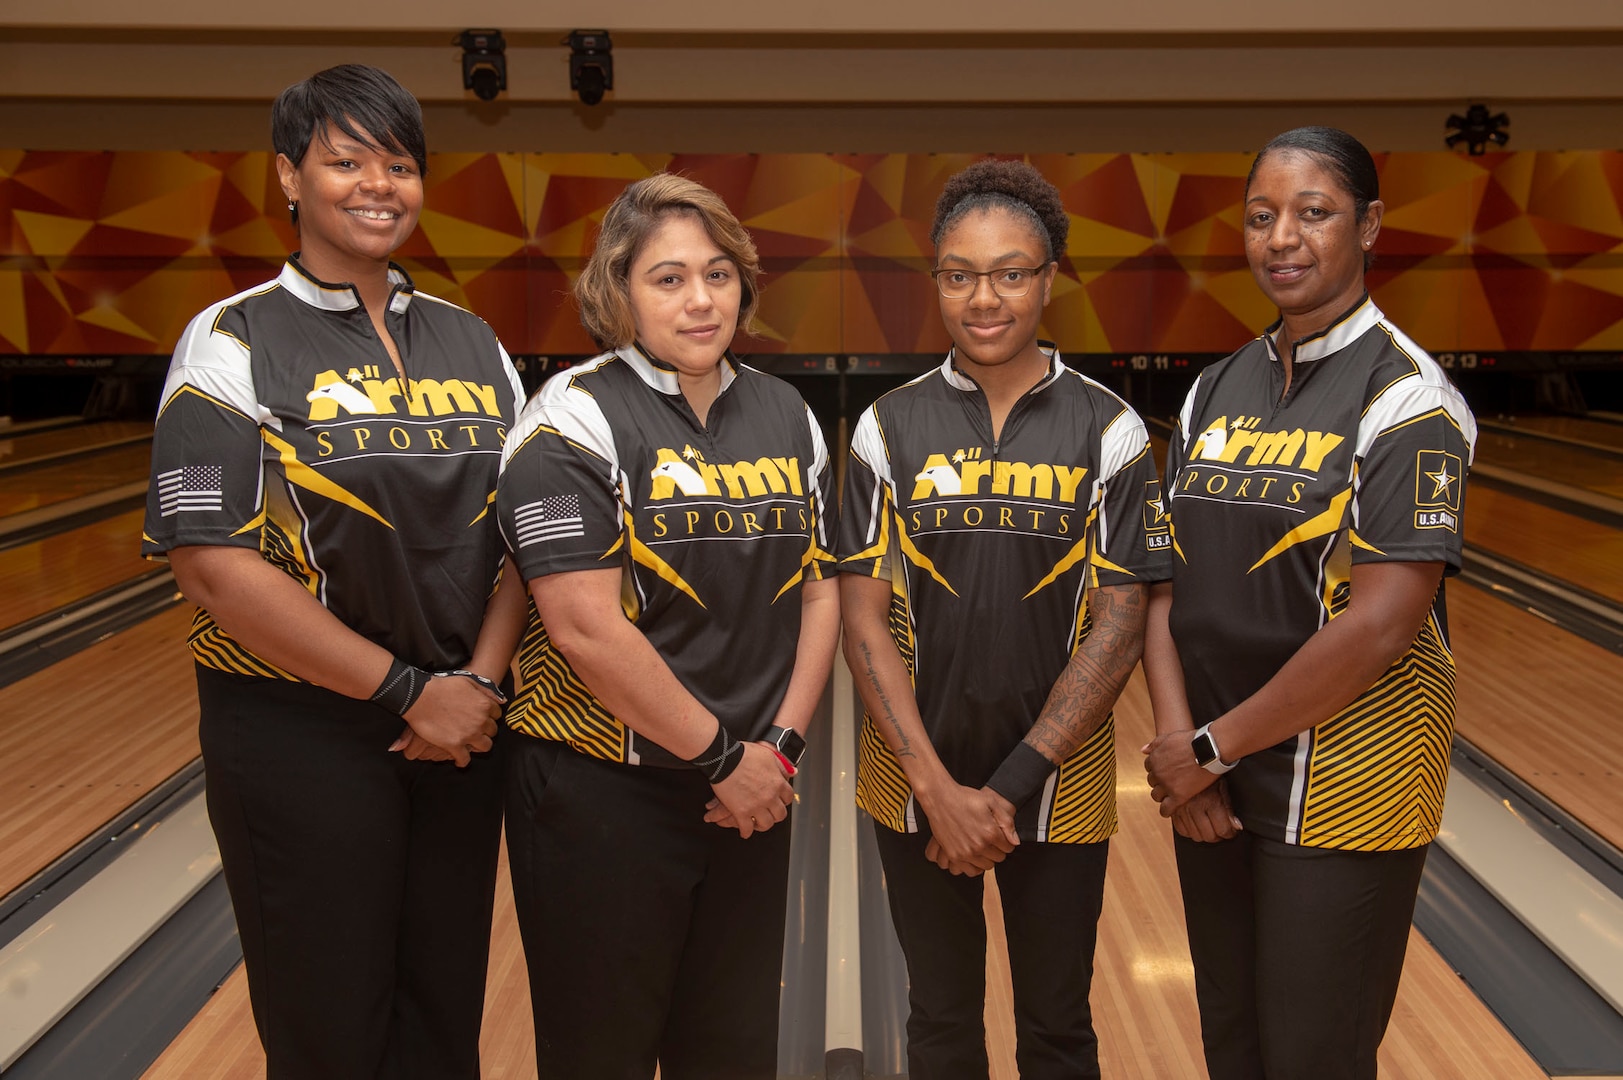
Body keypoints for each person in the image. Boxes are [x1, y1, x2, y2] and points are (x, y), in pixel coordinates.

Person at [140, 64, 526, 1078]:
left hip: (460, 726)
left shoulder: (474, 342)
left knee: (442, 1021)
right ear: (289, 179)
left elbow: (524, 543)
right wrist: (406, 690)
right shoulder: (231, 337)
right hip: (298, 726)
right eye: (346, 160)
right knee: (329, 1033)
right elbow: (210, 564)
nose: (378, 184)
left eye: (400, 164)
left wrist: (475, 686)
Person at [1142, 126, 1478, 1080]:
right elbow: (1167, 584)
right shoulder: (1214, 389)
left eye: (1312, 212)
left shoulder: (1408, 400)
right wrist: (1182, 749)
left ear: (1368, 226)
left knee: (1311, 1058)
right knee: (1234, 1049)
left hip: (1345, 782)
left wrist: (1210, 746)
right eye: (1260, 216)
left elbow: (1379, 624)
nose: (1281, 237)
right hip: (1215, 773)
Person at [495, 172, 840, 1080]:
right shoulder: (570, 418)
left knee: (730, 1052)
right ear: (618, 290)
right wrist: (726, 759)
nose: (700, 300)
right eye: (669, 278)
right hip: (603, 794)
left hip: (752, 793)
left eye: (719, 275)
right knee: (599, 1054)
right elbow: (583, 630)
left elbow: (816, 593)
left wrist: (779, 749)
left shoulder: (787, 414)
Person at [837, 159, 1170, 1079]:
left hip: (1058, 786)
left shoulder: (1109, 431)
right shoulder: (883, 429)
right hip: (911, 783)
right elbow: (860, 621)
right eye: (958, 274)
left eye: (1009, 273)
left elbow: (1119, 622)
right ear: (936, 280)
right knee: (938, 1022)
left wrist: (1011, 785)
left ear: (1048, 277)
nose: (983, 298)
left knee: (1058, 1028)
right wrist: (938, 790)